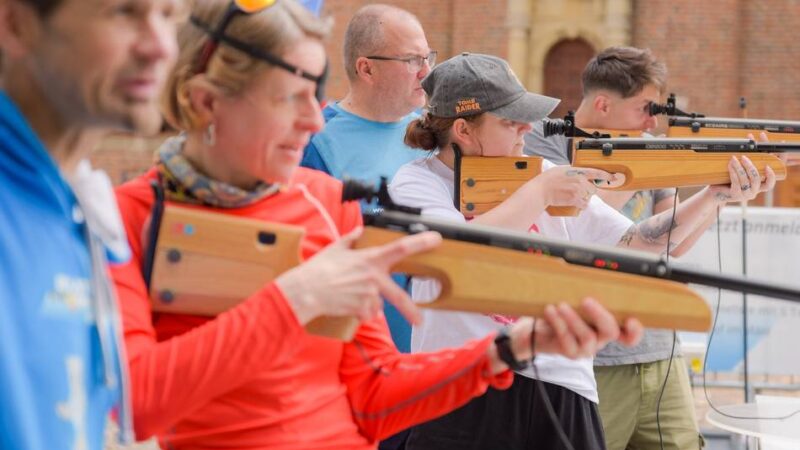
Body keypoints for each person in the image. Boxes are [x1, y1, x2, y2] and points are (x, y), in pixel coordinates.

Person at [108, 2, 642, 449]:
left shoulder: (325, 203)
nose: (314, 119)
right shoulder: (129, 216)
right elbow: (134, 401)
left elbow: (374, 391)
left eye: (315, 93)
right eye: (290, 96)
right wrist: (293, 300)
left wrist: (511, 348)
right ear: (207, 103)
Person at [389, 52, 775, 450]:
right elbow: (454, 254)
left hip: (560, 382)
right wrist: (541, 192)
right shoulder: (418, 182)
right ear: (463, 130)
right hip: (462, 383)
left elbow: (637, 245)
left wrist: (714, 196)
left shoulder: (540, 173)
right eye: (509, 121)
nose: (526, 128)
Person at [523, 46, 734, 449]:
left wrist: (719, 194)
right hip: (590, 355)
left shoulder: (647, 145)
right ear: (603, 104)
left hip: (659, 348)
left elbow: (674, 245)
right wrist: (631, 168)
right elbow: (573, 227)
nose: (652, 122)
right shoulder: (544, 143)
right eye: (644, 109)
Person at [0, 0, 179, 448]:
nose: (160, 46)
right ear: (16, 25)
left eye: (168, 14)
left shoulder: (75, 204)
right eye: (124, 12)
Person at [301, 3, 434, 357]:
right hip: (355, 355)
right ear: (366, 69)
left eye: (427, 58)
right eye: (412, 60)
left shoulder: (433, 135)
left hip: (430, 355)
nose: (426, 72)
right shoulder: (315, 141)